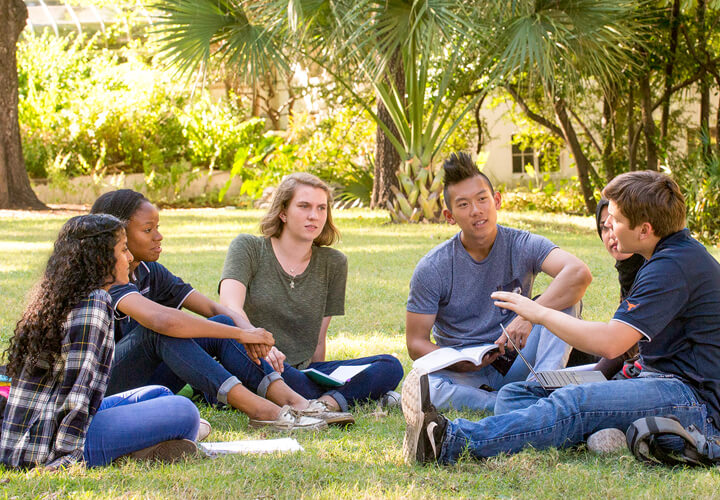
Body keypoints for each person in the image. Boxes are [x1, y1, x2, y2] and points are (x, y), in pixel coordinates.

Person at [402, 170, 720, 465]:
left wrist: (537, 312)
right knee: (520, 393)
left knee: (575, 401)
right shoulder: (668, 257)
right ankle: (583, 431)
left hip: (693, 403)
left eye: (616, 221)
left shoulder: (672, 267)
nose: (609, 228)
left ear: (645, 230)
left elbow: (611, 343)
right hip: (657, 381)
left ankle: (449, 441)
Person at [91, 190, 347, 431]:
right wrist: (239, 335)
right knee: (159, 332)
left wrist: (248, 331)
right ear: (117, 235)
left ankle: (295, 402)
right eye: (148, 230)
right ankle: (261, 410)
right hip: (100, 389)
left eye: (157, 228)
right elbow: (162, 321)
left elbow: (213, 308)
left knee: (222, 322)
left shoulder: (148, 270)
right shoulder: (105, 277)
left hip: (145, 382)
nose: (158, 236)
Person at [0, 215, 200, 469]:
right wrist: (66, 459)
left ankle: (138, 449)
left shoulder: (65, 295)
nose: (129, 258)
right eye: (123, 249)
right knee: (184, 412)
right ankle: (126, 449)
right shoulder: (93, 303)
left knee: (158, 394)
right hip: (45, 446)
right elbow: (77, 394)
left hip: (33, 431)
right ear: (99, 258)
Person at [405, 152, 592, 412]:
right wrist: (456, 362)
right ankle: (512, 403)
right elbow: (415, 343)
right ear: (449, 216)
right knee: (424, 387)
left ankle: (543, 387)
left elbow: (579, 274)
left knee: (565, 299)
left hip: (516, 361)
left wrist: (530, 316)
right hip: (464, 373)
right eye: (463, 205)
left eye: (482, 199)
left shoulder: (522, 243)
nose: (476, 210)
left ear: (497, 200)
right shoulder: (433, 267)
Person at [218, 172, 404, 412]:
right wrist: (261, 343)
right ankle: (354, 395)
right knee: (285, 379)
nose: (314, 216)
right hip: (252, 363)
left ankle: (325, 404)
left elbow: (318, 339)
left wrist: (321, 375)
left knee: (390, 365)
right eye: (304, 206)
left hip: (300, 374)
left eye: (321, 208)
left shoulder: (334, 263)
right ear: (282, 212)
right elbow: (229, 307)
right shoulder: (248, 248)